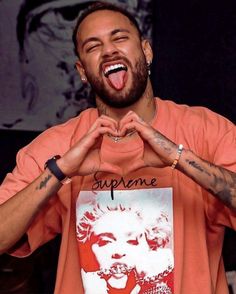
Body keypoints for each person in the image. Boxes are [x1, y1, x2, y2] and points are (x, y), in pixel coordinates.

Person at [0, 1, 235, 294]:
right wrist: (60, 171)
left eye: (119, 37)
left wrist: (179, 157)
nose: (109, 50)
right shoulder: (57, 145)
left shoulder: (207, 129)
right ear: (82, 70)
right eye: (93, 46)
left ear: (146, 51)